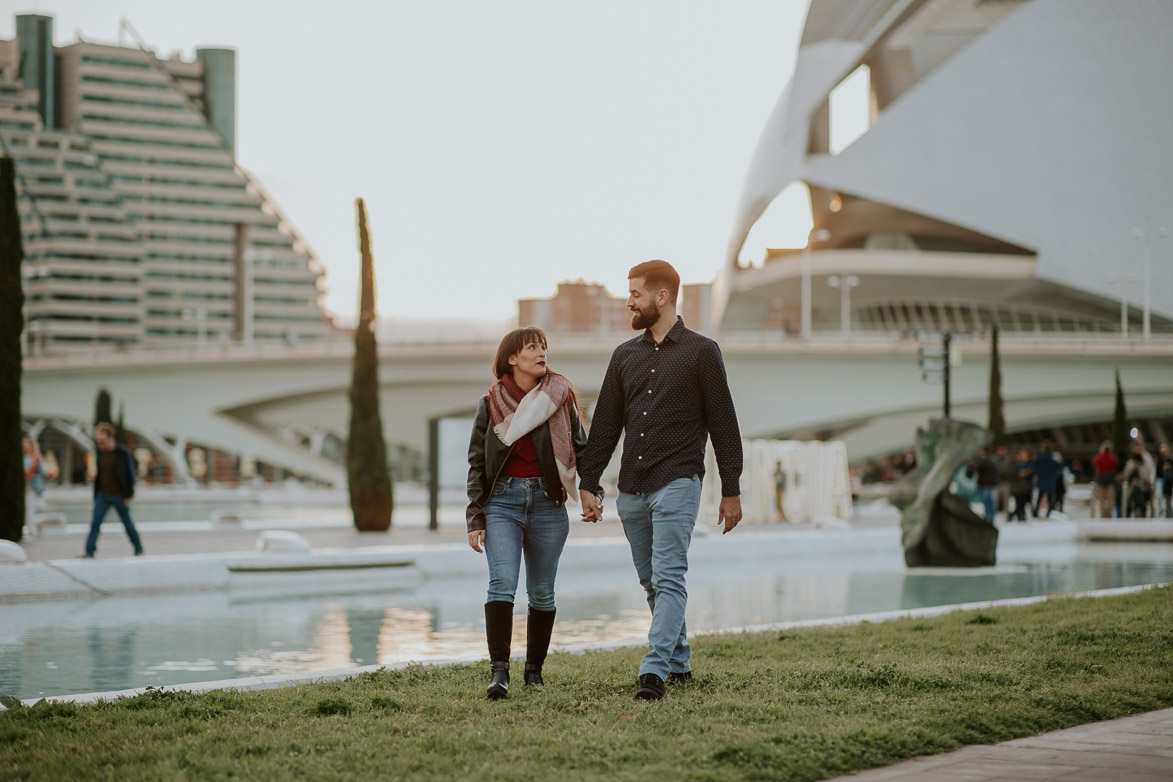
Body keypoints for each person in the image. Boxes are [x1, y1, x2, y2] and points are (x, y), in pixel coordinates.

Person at [577, 260, 743, 701]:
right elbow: (606, 425)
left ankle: (654, 671)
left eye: (634, 294)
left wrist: (731, 488)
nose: (628, 302)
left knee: (670, 576)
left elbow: (724, 424)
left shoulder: (702, 352)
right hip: (631, 487)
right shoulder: (624, 356)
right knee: (652, 581)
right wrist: (588, 481)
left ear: (662, 296)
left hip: (678, 480)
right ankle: (680, 659)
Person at [465, 326, 587, 699]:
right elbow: (476, 463)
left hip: (549, 503)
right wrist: (475, 517)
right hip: (502, 503)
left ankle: (534, 672)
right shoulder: (490, 402)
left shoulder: (558, 395)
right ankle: (499, 672)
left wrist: (590, 490)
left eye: (544, 346)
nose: (541, 352)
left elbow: (581, 447)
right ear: (512, 358)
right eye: (532, 347)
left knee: (542, 592)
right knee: (501, 583)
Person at [84, 422, 144, 558]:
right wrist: (95, 496)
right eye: (98, 441)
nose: (100, 444)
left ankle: (138, 548)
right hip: (102, 495)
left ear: (111, 438)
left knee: (127, 524)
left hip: (120, 496)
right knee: (95, 524)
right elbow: (99, 475)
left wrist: (129, 495)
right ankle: (89, 552)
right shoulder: (99, 452)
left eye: (103, 441)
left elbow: (131, 475)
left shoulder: (122, 453)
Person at [1030, 441, 1063, 519]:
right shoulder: (1053, 458)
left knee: (1039, 497)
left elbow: (1034, 467)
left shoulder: (1039, 458)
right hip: (1050, 481)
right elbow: (1059, 467)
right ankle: (1049, 513)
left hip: (1041, 480)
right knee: (1050, 498)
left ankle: (1036, 513)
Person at [1122, 441, 1155, 518]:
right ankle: (1129, 512)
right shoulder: (1130, 462)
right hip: (1132, 486)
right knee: (1131, 493)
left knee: (1139, 492)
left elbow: (1148, 473)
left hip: (1143, 486)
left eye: (1139, 449)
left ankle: (1141, 511)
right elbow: (1126, 475)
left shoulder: (1146, 461)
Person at [22, 436, 47, 531]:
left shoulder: (36, 458)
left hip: (32, 487)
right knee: (28, 509)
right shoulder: (25, 457)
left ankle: (32, 529)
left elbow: (43, 472)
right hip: (27, 486)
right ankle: (35, 524)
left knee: (29, 509)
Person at [1091, 441, 1119, 518]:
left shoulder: (1100, 457)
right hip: (1109, 480)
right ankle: (1108, 514)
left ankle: (1103, 515)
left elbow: (1094, 462)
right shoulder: (1111, 457)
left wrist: (1100, 453)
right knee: (1110, 500)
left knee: (1102, 500)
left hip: (1102, 480)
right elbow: (1115, 462)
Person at [1009, 447, 1034, 522]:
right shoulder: (1012, 464)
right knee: (1018, 503)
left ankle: (1020, 515)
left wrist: (1026, 473)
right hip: (1016, 487)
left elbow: (1031, 471)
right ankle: (1017, 515)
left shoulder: (1024, 463)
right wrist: (1018, 474)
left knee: (1023, 503)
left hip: (1024, 487)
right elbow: (1010, 473)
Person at [975, 448, 998, 523]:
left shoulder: (983, 462)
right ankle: (990, 517)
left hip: (985, 485)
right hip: (989, 484)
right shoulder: (992, 461)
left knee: (987, 503)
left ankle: (989, 518)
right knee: (990, 502)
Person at [1156, 443, 1172, 519]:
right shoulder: (1159, 460)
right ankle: (1161, 511)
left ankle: (1168, 512)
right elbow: (1157, 471)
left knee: (1168, 497)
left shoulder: (1170, 460)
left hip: (1168, 480)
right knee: (1159, 495)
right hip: (1160, 480)